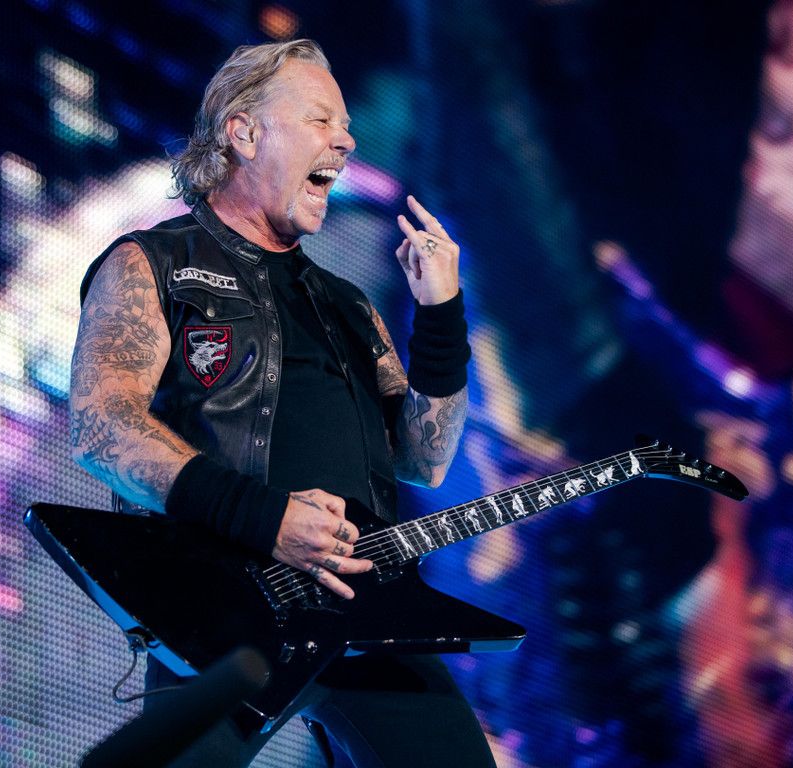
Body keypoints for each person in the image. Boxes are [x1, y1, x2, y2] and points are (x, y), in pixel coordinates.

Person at [68, 38, 495, 767]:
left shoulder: (349, 307)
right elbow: (101, 428)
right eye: (321, 120)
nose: (346, 141)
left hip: (368, 611)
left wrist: (440, 318)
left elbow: (424, 457)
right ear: (244, 132)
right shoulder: (153, 264)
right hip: (221, 612)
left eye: (348, 126)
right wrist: (268, 521)